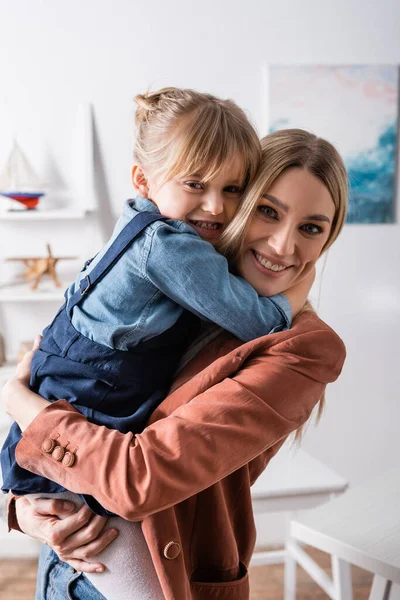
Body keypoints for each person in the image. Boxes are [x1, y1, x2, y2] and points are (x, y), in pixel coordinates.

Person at [3, 128, 348, 600]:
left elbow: (140, 478)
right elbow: (67, 381)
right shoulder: (169, 279)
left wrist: (18, 402)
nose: (284, 246)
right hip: (63, 562)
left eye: (312, 227)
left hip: (147, 578)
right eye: (268, 211)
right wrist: (23, 509)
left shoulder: (301, 348)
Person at [1, 87, 310, 519]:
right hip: (93, 401)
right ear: (144, 180)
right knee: (86, 530)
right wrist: (303, 284)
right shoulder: (171, 248)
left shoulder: (137, 222)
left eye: (233, 188)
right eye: (195, 184)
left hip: (62, 385)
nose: (216, 205)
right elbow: (260, 322)